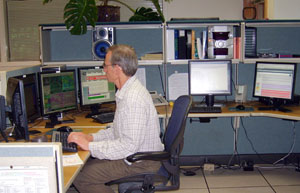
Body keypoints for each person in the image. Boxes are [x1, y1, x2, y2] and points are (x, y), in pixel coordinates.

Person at [68, 44, 164, 193]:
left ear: (117, 68)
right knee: (83, 167)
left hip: (140, 162)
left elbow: (128, 146)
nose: (104, 70)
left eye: (105, 66)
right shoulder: (125, 92)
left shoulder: (133, 99)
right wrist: (90, 138)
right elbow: (117, 131)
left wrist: (90, 147)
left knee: (82, 178)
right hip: (133, 156)